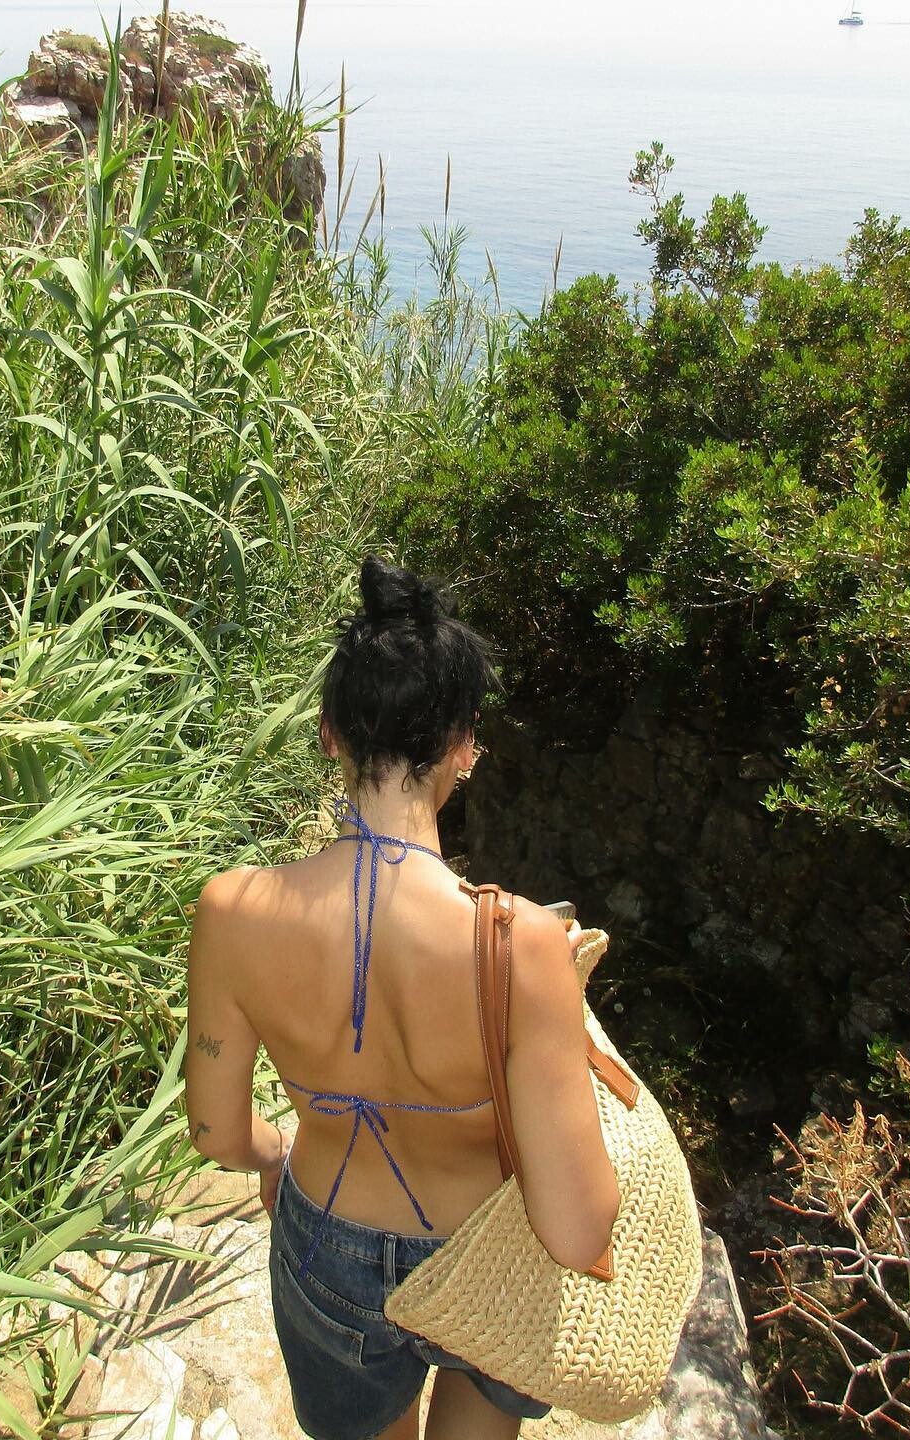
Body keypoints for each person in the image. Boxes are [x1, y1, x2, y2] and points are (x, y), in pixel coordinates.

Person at [184, 554, 621, 1440]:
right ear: (464, 746)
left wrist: (273, 1157)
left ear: (328, 734)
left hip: (324, 1242)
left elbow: (216, 1133)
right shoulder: (527, 944)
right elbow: (578, 1232)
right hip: (483, 1256)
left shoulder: (230, 911)